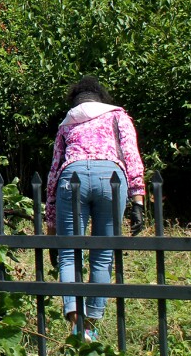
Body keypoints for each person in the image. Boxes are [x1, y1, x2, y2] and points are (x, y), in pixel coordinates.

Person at [46, 76, 145, 342]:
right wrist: (138, 200)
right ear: (101, 98)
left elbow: (54, 172)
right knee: (102, 254)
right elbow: (132, 155)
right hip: (110, 178)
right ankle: (91, 327)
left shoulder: (67, 123)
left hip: (72, 177)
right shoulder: (117, 117)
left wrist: (51, 224)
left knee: (69, 254)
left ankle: (76, 327)